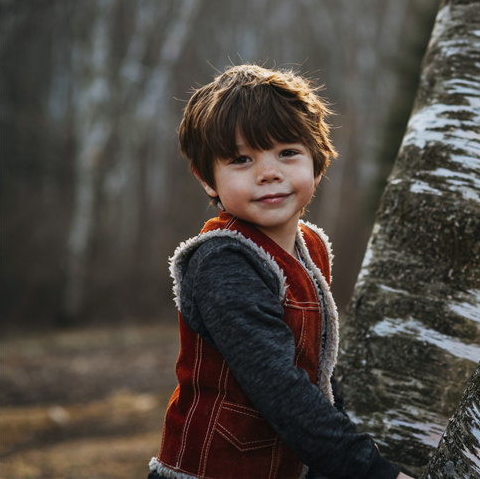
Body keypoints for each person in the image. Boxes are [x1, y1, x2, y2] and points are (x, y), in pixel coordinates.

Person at [148, 65, 413, 479]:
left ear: (318, 162)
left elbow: (315, 374)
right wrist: (372, 472)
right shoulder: (222, 262)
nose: (268, 172)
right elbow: (280, 389)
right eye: (241, 159)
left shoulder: (312, 248)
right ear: (207, 179)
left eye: (287, 152)